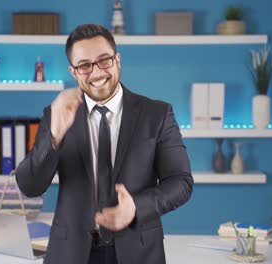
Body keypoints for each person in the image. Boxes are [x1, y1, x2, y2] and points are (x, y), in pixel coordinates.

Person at [16, 23, 194, 264]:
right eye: (85, 65)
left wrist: (136, 208)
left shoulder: (157, 114)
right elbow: (30, 186)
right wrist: (54, 136)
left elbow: (181, 182)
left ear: (117, 60)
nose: (97, 72)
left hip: (139, 252)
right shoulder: (56, 114)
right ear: (74, 72)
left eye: (104, 60)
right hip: (70, 254)